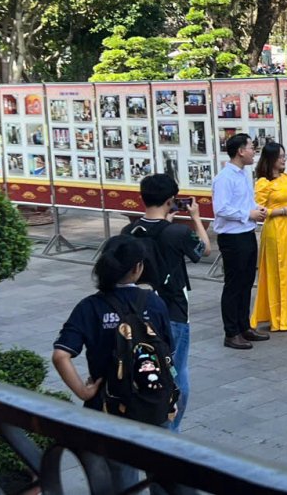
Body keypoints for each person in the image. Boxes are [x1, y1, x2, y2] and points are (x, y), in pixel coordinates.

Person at [52, 236, 173, 492]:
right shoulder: (154, 302)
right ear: (138, 268)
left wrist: (84, 392)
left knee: (119, 478)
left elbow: (60, 355)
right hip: (154, 401)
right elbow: (167, 348)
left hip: (108, 407)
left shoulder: (89, 307)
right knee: (163, 471)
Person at [121, 174, 210, 433]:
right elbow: (204, 249)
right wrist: (195, 217)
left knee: (147, 368)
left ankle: (154, 424)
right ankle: (171, 431)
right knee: (176, 372)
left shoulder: (130, 231)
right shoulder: (178, 232)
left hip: (138, 310)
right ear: (172, 200)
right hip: (173, 310)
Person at [212, 134, 268, 350]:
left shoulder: (244, 174)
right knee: (234, 285)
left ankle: (245, 326)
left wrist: (257, 209)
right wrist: (249, 213)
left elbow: (247, 200)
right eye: (251, 147)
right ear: (240, 152)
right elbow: (221, 209)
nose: (254, 151)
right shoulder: (225, 177)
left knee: (246, 282)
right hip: (231, 237)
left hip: (246, 233)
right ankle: (231, 332)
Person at [251, 142, 287, 332]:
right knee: (279, 270)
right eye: (280, 157)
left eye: (285, 156)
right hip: (275, 229)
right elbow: (258, 210)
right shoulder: (263, 183)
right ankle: (278, 314)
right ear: (271, 159)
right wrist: (280, 211)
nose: (284, 160)